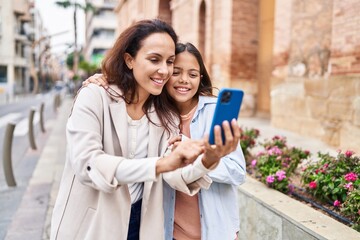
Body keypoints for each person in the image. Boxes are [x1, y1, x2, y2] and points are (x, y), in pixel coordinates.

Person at [50, 19, 207, 240]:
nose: (164, 70)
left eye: (170, 61)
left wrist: (208, 160)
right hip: (92, 225)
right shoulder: (95, 96)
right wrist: (158, 165)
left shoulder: (166, 115)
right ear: (129, 59)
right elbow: (88, 163)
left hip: (141, 223)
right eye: (154, 59)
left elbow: (174, 174)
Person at [84, 42, 246, 240]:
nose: (184, 80)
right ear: (165, 74)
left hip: (216, 232)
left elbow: (237, 173)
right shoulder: (155, 115)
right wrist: (105, 80)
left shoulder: (214, 112)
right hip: (169, 232)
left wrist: (198, 155)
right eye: (176, 72)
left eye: (193, 75)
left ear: (200, 78)